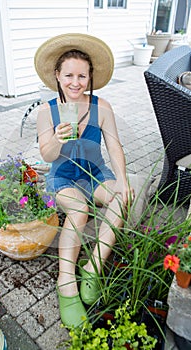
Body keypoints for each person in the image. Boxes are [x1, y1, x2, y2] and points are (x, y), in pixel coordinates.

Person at [34, 33, 134, 328]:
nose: (75, 82)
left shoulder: (102, 107)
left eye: (82, 75)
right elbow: (48, 155)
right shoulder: (46, 112)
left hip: (95, 172)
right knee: (78, 211)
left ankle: (93, 267)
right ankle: (66, 283)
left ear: (90, 77)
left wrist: (124, 180)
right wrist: (56, 137)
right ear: (57, 75)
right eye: (69, 75)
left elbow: (114, 146)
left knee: (121, 197)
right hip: (62, 175)